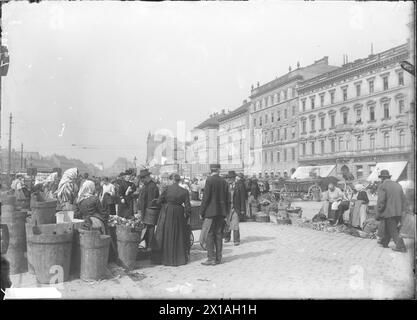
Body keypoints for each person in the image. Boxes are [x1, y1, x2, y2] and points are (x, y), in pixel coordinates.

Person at [151, 174, 191, 266]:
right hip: (179, 213)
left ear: (172, 180)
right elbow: (188, 208)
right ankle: (179, 259)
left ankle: (166, 259)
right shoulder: (184, 191)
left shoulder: (167, 189)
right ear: (178, 181)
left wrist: (164, 204)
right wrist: (186, 217)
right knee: (178, 234)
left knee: (166, 233)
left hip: (167, 212)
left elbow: (158, 201)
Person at [199, 164, 230, 266]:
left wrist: (201, 212)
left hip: (210, 212)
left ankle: (211, 258)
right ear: (219, 170)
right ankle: (218, 258)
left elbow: (206, 198)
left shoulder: (209, 180)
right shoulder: (224, 182)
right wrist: (226, 212)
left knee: (209, 234)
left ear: (210, 170)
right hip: (221, 212)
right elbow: (227, 199)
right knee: (218, 235)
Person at [376, 170, 407, 253]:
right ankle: (384, 242)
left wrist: (379, 212)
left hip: (388, 211)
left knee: (393, 229)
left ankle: (400, 246)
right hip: (398, 211)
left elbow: (381, 201)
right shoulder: (398, 185)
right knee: (389, 227)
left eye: (381, 178)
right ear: (389, 177)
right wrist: (403, 210)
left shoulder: (382, 186)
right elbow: (403, 199)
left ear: (382, 178)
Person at [139, 169, 160, 251]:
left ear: (147, 177)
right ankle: (149, 245)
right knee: (150, 228)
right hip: (153, 211)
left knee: (148, 229)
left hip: (148, 211)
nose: (142, 180)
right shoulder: (154, 185)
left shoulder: (147, 186)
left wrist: (142, 214)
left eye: (143, 178)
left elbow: (144, 201)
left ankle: (149, 246)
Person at [224, 171, 246, 245]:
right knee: (228, 223)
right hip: (228, 208)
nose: (230, 179)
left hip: (236, 207)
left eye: (232, 178)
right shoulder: (226, 186)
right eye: (229, 178)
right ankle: (227, 237)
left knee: (235, 223)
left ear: (234, 178)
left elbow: (242, 198)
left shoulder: (239, 185)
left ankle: (236, 240)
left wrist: (242, 209)